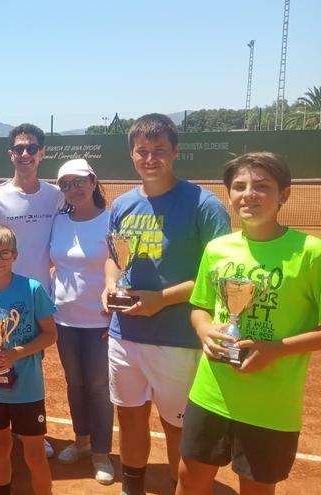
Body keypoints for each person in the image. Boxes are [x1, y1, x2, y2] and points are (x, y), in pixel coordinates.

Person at [177, 152, 321, 495]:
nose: (248, 194)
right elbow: (199, 306)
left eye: (261, 186)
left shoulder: (310, 253)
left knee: (255, 488)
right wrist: (203, 329)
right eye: (239, 186)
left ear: (283, 194)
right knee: (190, 478)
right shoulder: (217, 249)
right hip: (211, 392)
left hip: (270, 404)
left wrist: (277, 350)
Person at [103, 113, 231, 495]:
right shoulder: (123, 204)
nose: (150, 158)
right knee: (129, 418)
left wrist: (161, 299)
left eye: (159, 150)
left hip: (178, 339)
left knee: (178, 425)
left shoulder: (204, 205)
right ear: (132, 155)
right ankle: (132, 489)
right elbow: (113, 255)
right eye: (142, 151)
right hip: (124, 334)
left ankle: (182, 487)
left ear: (176, 151)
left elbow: (219, 275)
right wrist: (110, 284)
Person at [0, 122, 63, 459]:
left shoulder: (56, 195)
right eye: (19, 148)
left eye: (31, 148)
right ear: (10, 154)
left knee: (31, 363)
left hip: (36, 299)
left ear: (42, 153)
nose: (25, 154)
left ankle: (29, 430)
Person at [0, 224, 58, 495]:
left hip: (27, 389)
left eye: (5, 253)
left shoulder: (32, 289)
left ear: (15, 255)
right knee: (0, 448)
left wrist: (17, 353)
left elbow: (50, 333)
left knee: (35, 454)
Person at [49, 159, 114, 485]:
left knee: (99, 387)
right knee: (75, 384)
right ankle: (82, 441)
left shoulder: (111, 221)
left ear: (93, 181)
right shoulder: (59, 222)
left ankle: (101, 453)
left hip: (101, 322)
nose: (72, 189)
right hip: (64, 320)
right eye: (65, 185)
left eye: (78, 182)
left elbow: (122, 267)